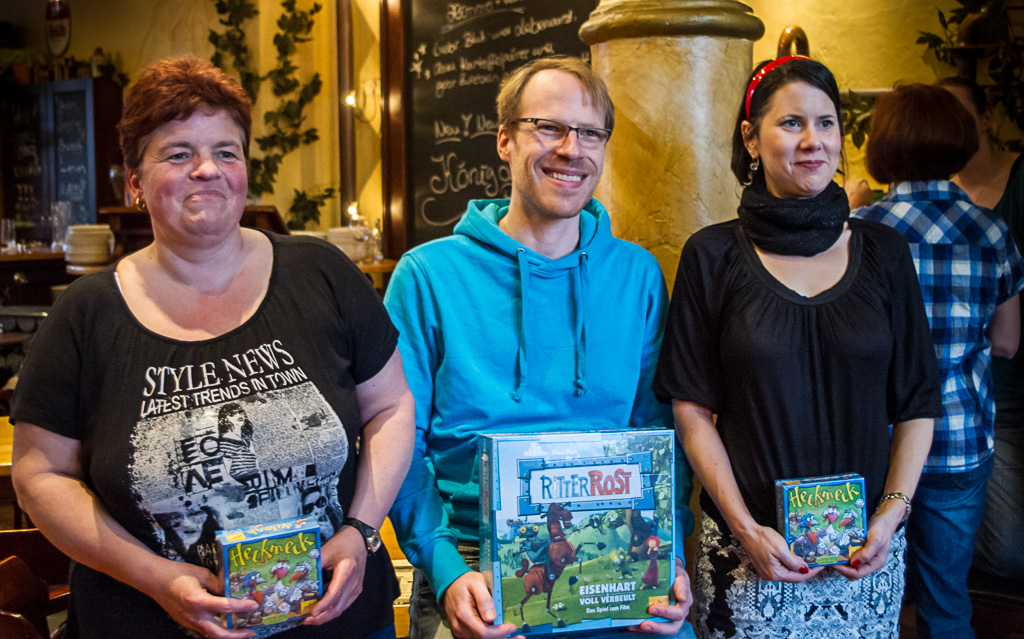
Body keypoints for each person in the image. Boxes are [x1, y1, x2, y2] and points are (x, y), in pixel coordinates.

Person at [11, 56, 415, 639]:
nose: (208, 169)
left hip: (336, 620)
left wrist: (360, 530)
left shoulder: (321, 273)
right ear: (134, 181)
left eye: (226, 152)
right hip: (146, 625)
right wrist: (155, 577)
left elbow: (392, 407)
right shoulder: (86, 314)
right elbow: (39, 476)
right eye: (178, 154)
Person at [383, 55, 695, 639]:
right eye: (548, 127)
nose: (571, 149)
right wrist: (446, 570)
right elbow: (397, 441)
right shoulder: (427, 276)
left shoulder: (638, 276)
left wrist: (668, 554)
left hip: (618, 559)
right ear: (504, 140)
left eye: (590, 133)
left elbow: (660, 436)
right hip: (474, 565)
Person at [654, 56, 943, 638]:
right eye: (791, 123)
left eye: (826, 122)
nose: (813, 140)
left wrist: (892, 514)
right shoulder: (712, 255)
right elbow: (691, 408)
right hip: (751, 558)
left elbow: (918, 403)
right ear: (750, 138)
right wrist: (745, 529)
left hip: (866, 556)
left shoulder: (884, 252)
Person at [851, 82, 1024, 639]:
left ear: (885, 143)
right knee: (946, 600)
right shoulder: (993, 231)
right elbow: (1008, 342)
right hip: (959, 440)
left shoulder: (860, 231)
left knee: (867, 595)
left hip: (877, 445)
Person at [938, 76, 1024, 581]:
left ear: (987, 118)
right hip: (964, 402)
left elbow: (1008, 340)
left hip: (1009, 392)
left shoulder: (1018, 182)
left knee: (1006, 548)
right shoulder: (939, 197)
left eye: (958, 114)